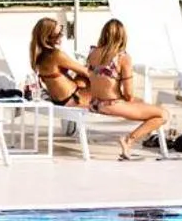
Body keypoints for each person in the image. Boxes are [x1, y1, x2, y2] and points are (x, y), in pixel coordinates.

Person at [85, 19, 169, 160]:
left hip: (95, 104)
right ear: (123, 36)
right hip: (111, 104)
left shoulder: (92, 53)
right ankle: (129, 140)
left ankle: (132, 139)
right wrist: (130, 99)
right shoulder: (122, 57)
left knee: (144, 104)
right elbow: (129, 94)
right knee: (162, 114)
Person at [30, 18, 90, 108]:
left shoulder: (40, 56)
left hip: (60, 100)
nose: (62, 35)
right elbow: (86, 72)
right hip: (73, 99)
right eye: (59, 34)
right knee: (101, 77)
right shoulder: (56, 55)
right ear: (48, 37)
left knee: (87, 75)